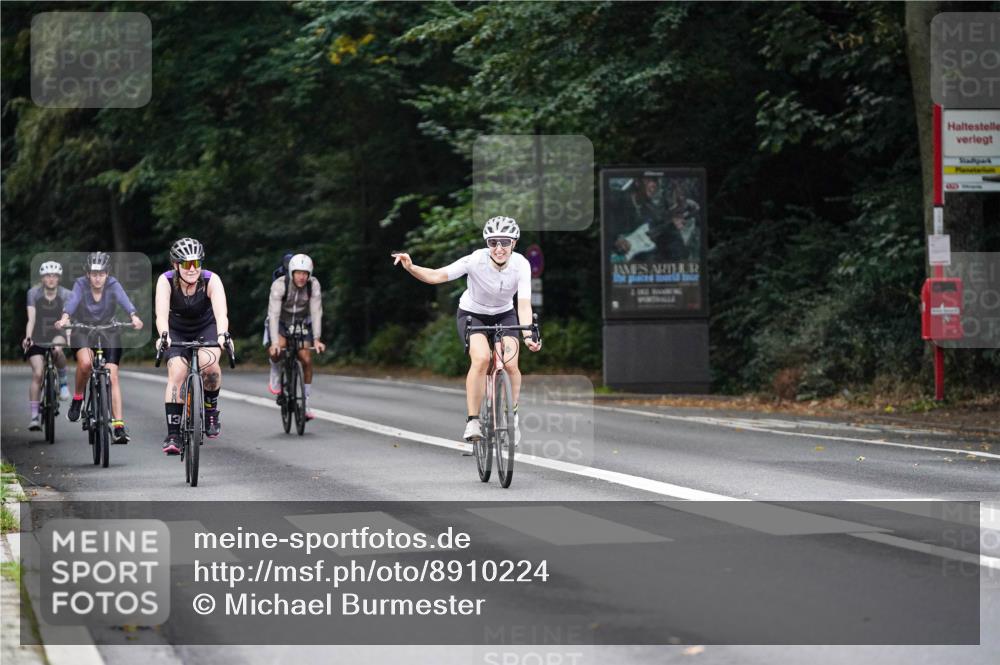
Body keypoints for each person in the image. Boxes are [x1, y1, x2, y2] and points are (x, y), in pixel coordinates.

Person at [392, 216, 541, 443]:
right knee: (481, 359)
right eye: (493, 242)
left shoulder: (521, 264)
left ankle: (512, 417)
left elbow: (523, 303)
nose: (499, 248)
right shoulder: (475, 260)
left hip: (504, 313)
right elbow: (436, 276)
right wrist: (411, 267)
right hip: (473, 313)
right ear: (487, 244)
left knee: (510, 363)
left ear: (514, 243)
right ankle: (473, 421)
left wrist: (529, 335)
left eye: (504, 242)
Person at [154, 237, 233, 455]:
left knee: (210, 365)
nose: (192, 269)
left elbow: (221, 314)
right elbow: (160, 315)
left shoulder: (211, 280)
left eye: (196, 263)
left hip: (205, 327)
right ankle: (173, 434)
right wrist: (164, 335)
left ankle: (210, 411)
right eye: (186, 264)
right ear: (175, 265)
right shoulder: (166, 281)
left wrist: (222, 335)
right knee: (177, 371)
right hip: (175, 330)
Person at [55, 252, 144, 444]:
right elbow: (72, 303)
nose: (97, 277)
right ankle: (78, 398)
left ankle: (118, 426)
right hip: (82, 329)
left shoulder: (113, 284)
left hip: (107, 330)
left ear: (107, 273)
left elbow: (125, 301)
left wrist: (133, 316)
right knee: (86, 364)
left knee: (112, 375)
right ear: (88, 274)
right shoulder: (80, 284)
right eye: (94, 273)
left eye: (101, 273)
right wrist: (65, 318)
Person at [266, 253, 326, 418]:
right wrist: (275, 342)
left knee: (306, 359)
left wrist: (317, 339)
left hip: (302, 323)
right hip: (281, 322)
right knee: (277, 351)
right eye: (298, 273)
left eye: (305, 273)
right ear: (291, 272)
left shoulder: (313, 285)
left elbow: (316, 311)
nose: (301, 277)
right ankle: (276, 370)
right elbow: (274, 314)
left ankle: (306, 403)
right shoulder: (280, 285)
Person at [21, 261, 72, 431]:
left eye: (54, 276)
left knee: (57, 349)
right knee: (38, 373)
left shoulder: (66, 294)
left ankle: (63, 383)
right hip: (38, 335)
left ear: (59, 278)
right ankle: (34, 417)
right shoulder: (33, 294)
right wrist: (28, 337)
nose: (51, 279)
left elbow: (68, 319)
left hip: (57, 333)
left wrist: (69, 337)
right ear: (42, 278)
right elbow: (31, 319)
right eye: (47, 276)